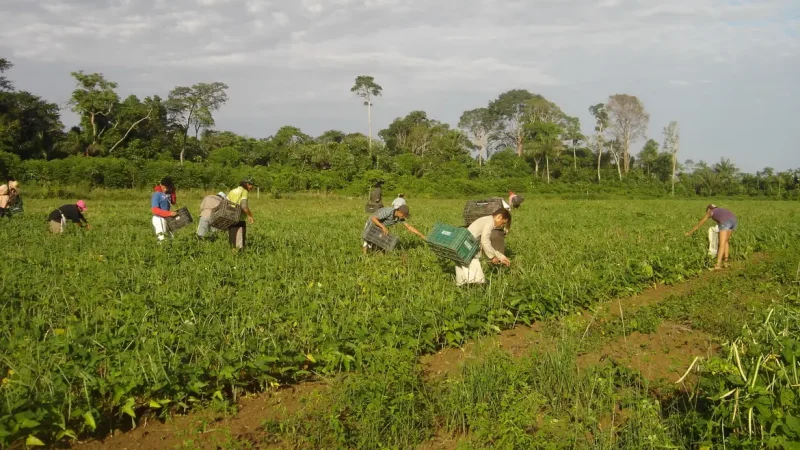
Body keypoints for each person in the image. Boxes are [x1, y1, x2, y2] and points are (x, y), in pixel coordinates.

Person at [456, 208, 511, 286]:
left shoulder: (486, 219)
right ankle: (475, 288)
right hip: (468, 247)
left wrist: (500, 256)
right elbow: (485, 241)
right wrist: (492, 257)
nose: (501, 226)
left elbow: (483, 243)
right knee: (477, 278)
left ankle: (462, 287)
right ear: (499, 217)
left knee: (461, 272)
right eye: (502, 223)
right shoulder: (490, 222)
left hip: (462, 244)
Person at [686, 204, 737, 270]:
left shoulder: (710, 211)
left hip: (726, 221)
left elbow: (700, 223)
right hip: (734, 220)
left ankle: (718, 264)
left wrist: (689, 233)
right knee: (725, 241)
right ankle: (726, 262)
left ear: (709, 209)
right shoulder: (720, 211)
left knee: (721, 243)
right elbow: (721, 222)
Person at [227, 179, 255, 250]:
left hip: (230, 218)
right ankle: (239, 256)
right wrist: (250, 215)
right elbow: (244, 206)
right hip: (239, 219)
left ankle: (233, 255)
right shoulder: (244, 191)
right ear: (248, 184)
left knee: (233, 239)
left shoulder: (232, 191)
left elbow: (225, 203)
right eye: (252, 185)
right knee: (239, 242)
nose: (252, 188)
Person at [151, 177, 178, 241]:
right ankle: (160, 250)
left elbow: (173, 202)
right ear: (161, 185)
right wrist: (170, 213)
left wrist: (173, 192)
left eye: (168, 187)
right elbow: (155, 210)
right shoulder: (157, 194)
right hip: (159, 218)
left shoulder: (168, 193)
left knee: (171, 237)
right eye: (164, 187)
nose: (166, 189)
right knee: (162, 239)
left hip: (167, 218)